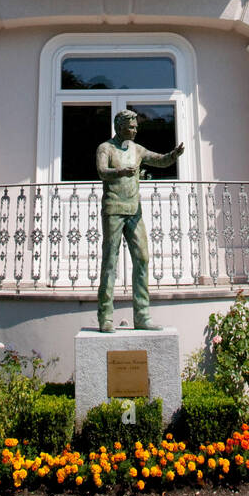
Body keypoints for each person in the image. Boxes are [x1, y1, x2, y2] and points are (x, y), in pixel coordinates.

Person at [95, 109, 184, 332]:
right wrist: (121, 172)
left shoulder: (137, 149)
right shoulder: (105, 148)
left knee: (142, 258)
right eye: (131, 127)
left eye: (136, 127)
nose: (135, 130)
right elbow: (102, 172)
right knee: (110, 262)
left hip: (134, 211)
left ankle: (142, 315)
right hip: (114, 209)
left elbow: (159, 161)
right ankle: (105, 317)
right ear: (120, 126)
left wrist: (173, 155)